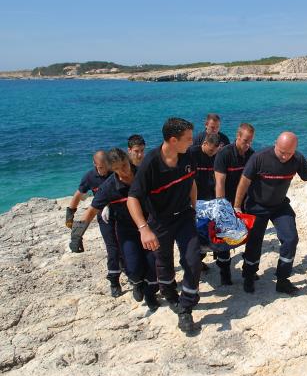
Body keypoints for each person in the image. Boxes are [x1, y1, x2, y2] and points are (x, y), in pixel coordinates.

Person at [234, 132, 307, 295]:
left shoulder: (297, 158)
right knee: (254, 242)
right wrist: (237, 207)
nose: (284, 156)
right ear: (275, 143)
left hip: (279, 205)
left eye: (289, 153)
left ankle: (282, 279)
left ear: (295, 150)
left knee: (291, 239)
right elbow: (244, 182)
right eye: (282, 152)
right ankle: (249, 274)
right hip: (257, 205)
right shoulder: (259, 158)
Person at [127, 117, 205, 333]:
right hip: (160, 221)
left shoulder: (188, 156)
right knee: (164, 262)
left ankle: (186, 307)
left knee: (193, 260)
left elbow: (191, 182)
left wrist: (195, 208)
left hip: (184, 216)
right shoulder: (150, 164)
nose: (192, 142)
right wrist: (144, 229)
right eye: (188, 139)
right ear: (173, 140)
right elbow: (133, 198)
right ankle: (171, 296)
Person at [69, 148, 159, 310]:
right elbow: (91, 211)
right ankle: (137, 283)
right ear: (112, 169)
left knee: (152, 264)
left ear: (128, 159)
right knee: (133, 266)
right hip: (126, 230)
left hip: (149, 226)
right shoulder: (109, 187)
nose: (124, 171)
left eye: (125, 165)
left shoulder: (144, 174)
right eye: (118, 169)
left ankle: (151, 293)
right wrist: (76, 236)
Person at [66, 150, 122, 297]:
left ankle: (130, 271)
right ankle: (114, 281)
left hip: (121, 213)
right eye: (101, 167)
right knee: (112, 247)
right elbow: (78, 195)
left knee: (124, 245)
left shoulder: (115, 172)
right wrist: (70, 214)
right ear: (95, 164)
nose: (104, 171)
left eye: (106, 167)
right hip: (104, 216)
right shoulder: (89, 177)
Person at [213, 123, 256, 285]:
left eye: (251, 141)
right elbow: (219, 182)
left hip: (246, 201)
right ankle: (225, 272)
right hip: (226, 200)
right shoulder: (224, 154)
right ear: (237, 137)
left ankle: (249, 269)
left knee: (250, 237)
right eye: (245, 141)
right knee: (225, 239)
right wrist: (223, 208)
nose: (248, 145)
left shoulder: (251, 154)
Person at [188, 132, 220, 272]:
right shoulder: (191, 153)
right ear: (204, 144)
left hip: (209, 199)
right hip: (193, 200)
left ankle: (199, 260)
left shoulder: (215, 156)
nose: (212, 153)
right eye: (211, 150)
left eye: (215, 151)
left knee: (207, 233)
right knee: (195, 235)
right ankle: (193, 262)